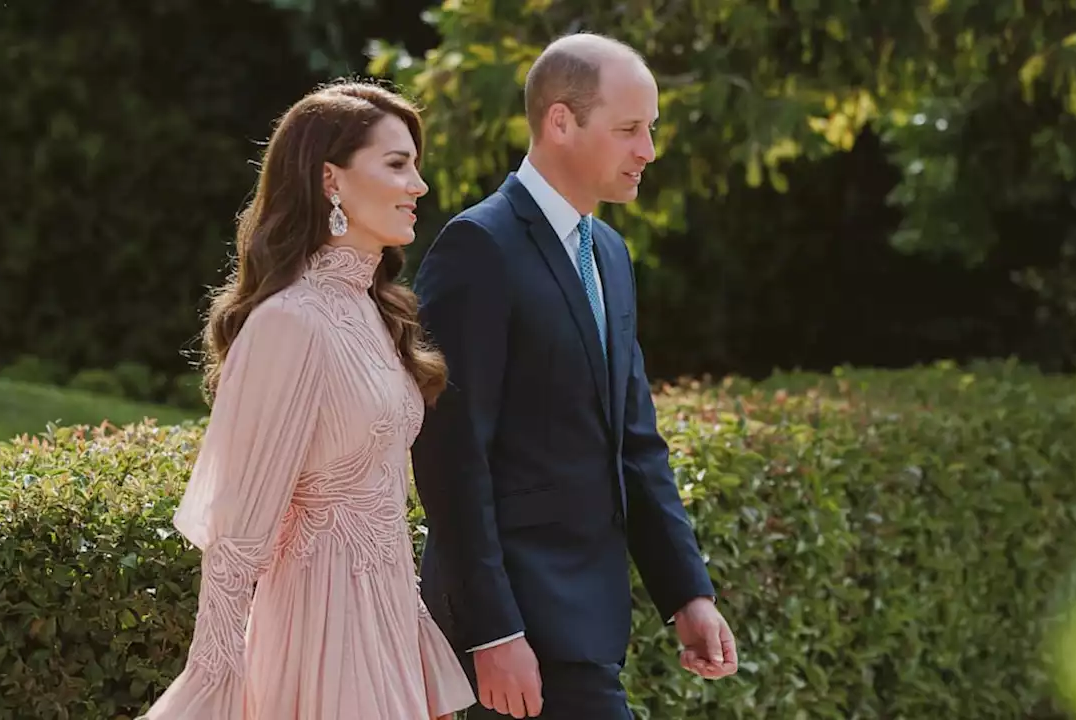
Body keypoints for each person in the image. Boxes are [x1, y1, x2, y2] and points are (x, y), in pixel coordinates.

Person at [409, 33, 739, 720]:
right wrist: (494, 630)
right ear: (561, 121)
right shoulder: (478, 248)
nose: (647, 150)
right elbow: (449, 452)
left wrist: (688, 594)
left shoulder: (610, 254)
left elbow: (635, 443)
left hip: (589, 623)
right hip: (514, 629)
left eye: (649, 129)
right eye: (628, 130)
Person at [139, 81, 475, 720]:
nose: (419, 186)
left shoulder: (373, 312)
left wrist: (412, 639)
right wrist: (215, 679)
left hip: (388, 628)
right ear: (332, 180)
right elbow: (238, 532)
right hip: (321, 636)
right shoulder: (288, 324)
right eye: (397, 165)